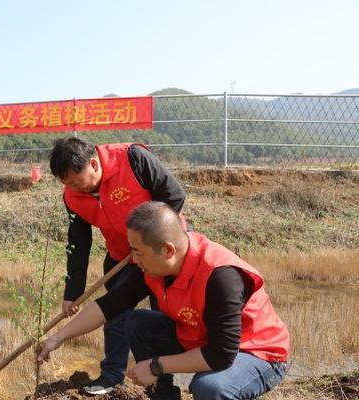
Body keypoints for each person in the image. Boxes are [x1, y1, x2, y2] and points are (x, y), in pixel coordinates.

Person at [37, 202, 289, 400]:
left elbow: (221, 355)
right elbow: (109, 305)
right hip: (203, 336)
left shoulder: (220, 276)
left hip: (256, 352)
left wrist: (156, 366)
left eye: (138, 252)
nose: (134, 260)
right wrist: (58, 337)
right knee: (136, 322)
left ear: (168, 250)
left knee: (210, 388)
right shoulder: (152, 267)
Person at [48, 137, 186, 395]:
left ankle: (164, 382)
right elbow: (78, 242)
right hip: (120, 256)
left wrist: (148, 243)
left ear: (92, 164)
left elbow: (174, 196)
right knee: (114, 314)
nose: (72, 188)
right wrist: (72, 291)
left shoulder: (133, 159)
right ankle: (112, 375)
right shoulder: (72, 197)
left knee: (162, 317)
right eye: (65, 183)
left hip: (160, 253)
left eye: (75, 181)